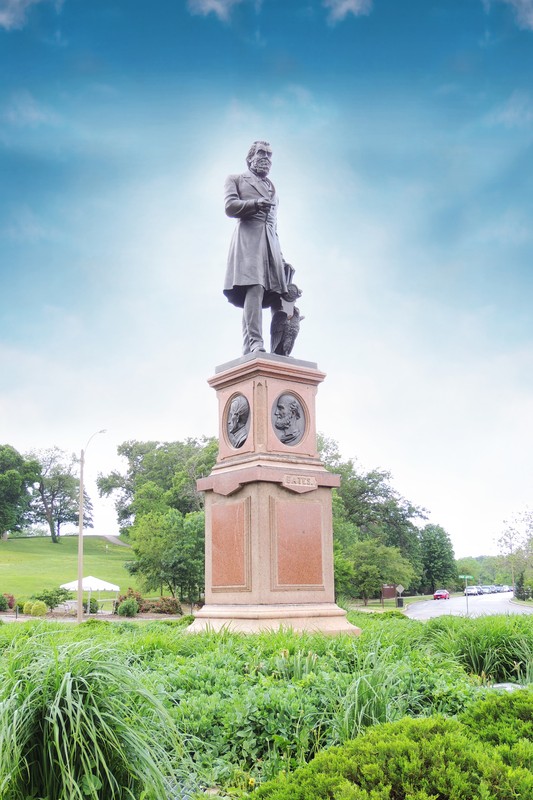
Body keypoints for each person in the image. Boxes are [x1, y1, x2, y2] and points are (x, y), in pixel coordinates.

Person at [224, 140, 293, 355]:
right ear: (250, 157)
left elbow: (274, 224)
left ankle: (279, 347)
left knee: (280, 294)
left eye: (270, 155)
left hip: (270, 244)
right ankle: (254, 342)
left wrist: (281, 257)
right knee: (254, 289)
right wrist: (254, 204)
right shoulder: (235, 179)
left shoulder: (273, 188)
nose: (266, 158)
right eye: (261, 153)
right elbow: (230, 206)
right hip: (249, 241)